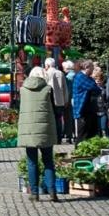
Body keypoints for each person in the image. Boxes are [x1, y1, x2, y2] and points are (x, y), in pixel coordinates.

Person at [17, 65, 58, 202]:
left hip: (29, 130)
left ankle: (34, 193)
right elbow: (54, 108)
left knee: (32, 162)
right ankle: (53, 192)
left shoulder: (23, 90)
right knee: (48, 162)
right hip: (45, 129)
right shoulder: (48, 89)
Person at [70, 61, 102, 143]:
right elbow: (95, 88)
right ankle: (79, 153)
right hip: (82, 111)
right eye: (92, 68)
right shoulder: (81, 77)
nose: (93, 70)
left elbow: (96, 89)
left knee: (92, 134)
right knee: (82, 135)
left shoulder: (88, 78)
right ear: (87, 67)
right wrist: (96, 87)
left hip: (90, 110)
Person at [45, 57, 70, 145]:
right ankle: (59, 138)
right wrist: (66, 100)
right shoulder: (60, 73)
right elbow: (65, 88)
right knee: (58, 119)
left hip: (49, 100)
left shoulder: (45, 73)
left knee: (50, 120)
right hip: (60, 101)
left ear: (47, 65)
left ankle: (51, 138)